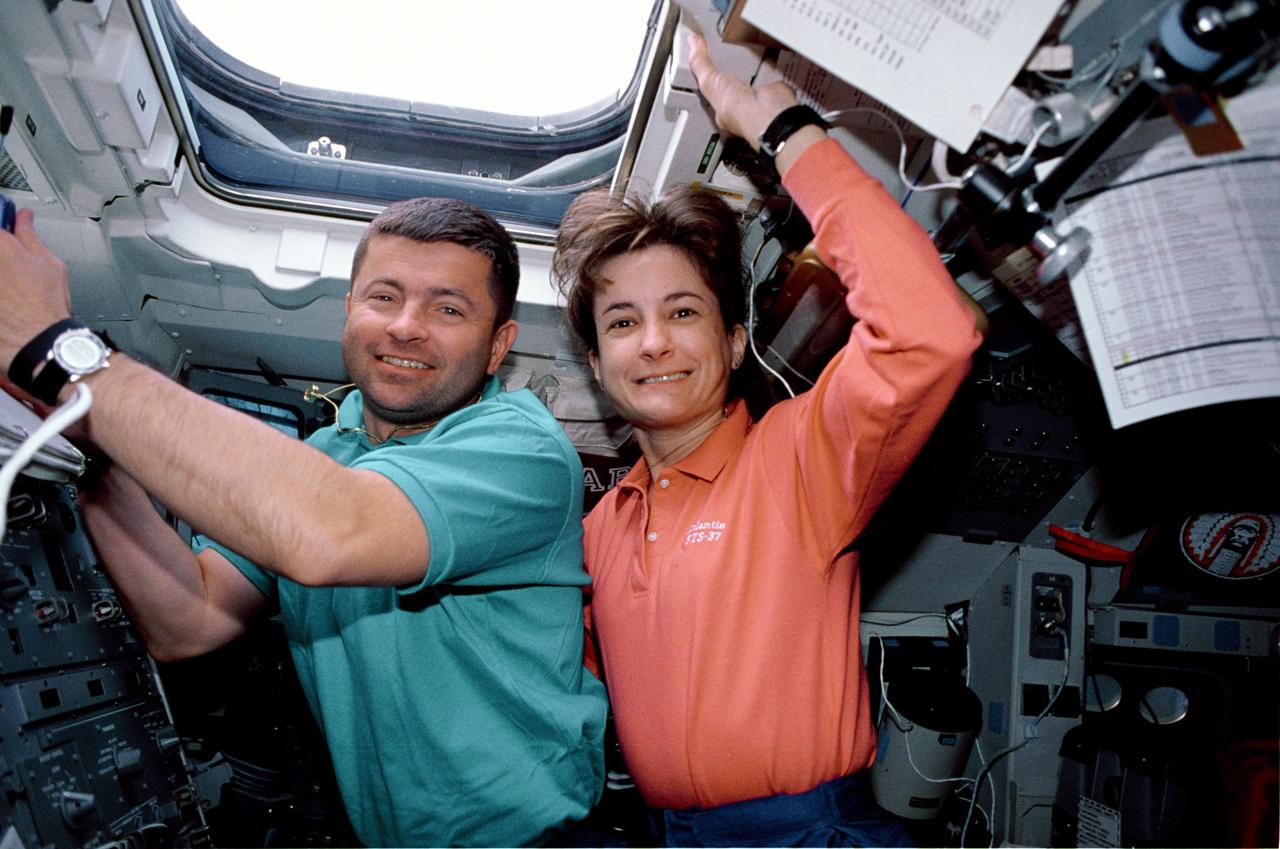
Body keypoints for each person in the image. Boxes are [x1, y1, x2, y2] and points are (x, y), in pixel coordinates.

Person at [0, 197, 608, 846]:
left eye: (448, 308)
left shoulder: (521, 448)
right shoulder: (325, 461)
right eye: (384, 296)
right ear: (349, 310)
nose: (405, 326)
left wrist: (59, 352)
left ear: (497, 347)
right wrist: (91, 450)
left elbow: (329, 530)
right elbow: (189, 619)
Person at [550, 33, 984, 847]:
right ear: (599, 364)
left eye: (682, 312)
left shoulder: (798, 457)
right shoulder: (599, 531)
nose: (653, 342)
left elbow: (932, 332)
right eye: (622, 322)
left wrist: (786, 129)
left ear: (737, 340)